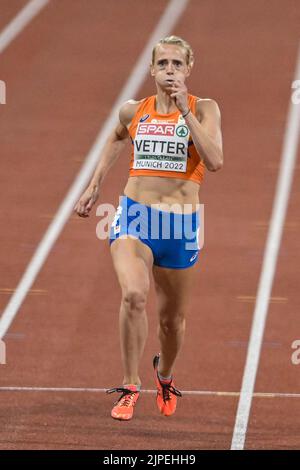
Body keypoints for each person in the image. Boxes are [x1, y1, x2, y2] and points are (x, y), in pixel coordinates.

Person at [74, 36, 223, 421]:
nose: (169, 70)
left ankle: (165, 374)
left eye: (177, 64)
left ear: (188, 69)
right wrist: (94, 186)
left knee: (171, 322)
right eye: (163, 63)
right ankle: (129, 385)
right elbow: (116, 137)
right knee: (134, 296)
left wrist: (184, 112)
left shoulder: (204, 109)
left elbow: (216, 159)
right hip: (135, 216)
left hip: (182, 225)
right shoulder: (133, 110)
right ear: (151, 69)